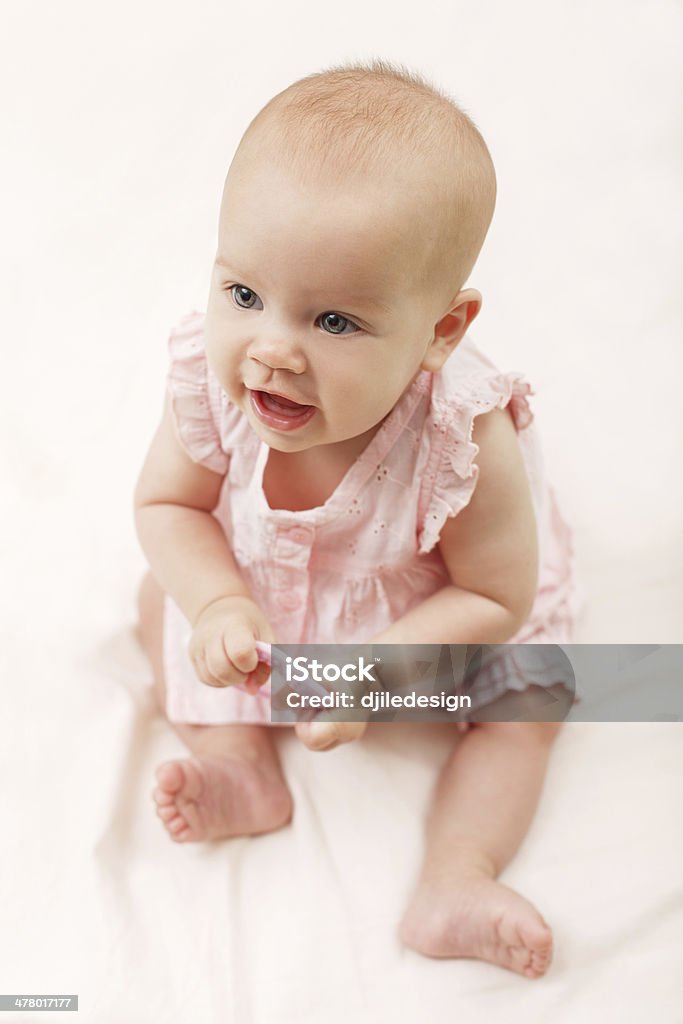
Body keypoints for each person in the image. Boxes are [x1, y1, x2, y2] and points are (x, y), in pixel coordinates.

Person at [134, 59, 580, 980]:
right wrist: (216, 603)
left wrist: (370, 678)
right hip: (268, 608)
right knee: (159, 601)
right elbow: (167, 504)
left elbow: (495, 596)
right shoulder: (213, 382)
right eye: (244, 295)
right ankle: (239, 763)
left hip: (425, 623)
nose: (271, 350)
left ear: (440, 331)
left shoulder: (462, 435)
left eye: (334, 321)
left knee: (529, 698)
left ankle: (456, 877)